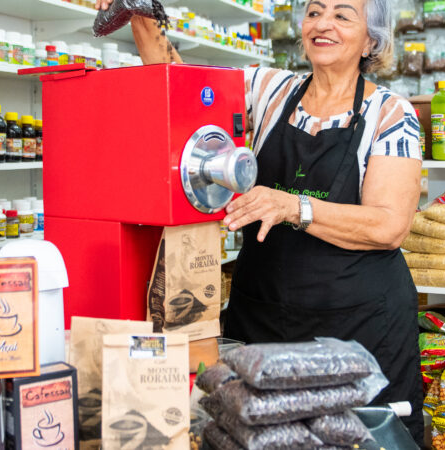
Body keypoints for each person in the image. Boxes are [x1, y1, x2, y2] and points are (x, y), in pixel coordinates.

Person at [96, 0, 424, 442]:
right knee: (250, 434)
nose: (323, 24)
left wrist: (293, 206)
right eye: (314, 12)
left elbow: (389, 227)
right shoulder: (266, 88)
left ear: (371, 39)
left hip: (358, 330)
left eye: (342, 15)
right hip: (264, 321)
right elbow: (174, 82)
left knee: (359, 438)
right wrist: (137, 10)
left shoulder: (391, 114)